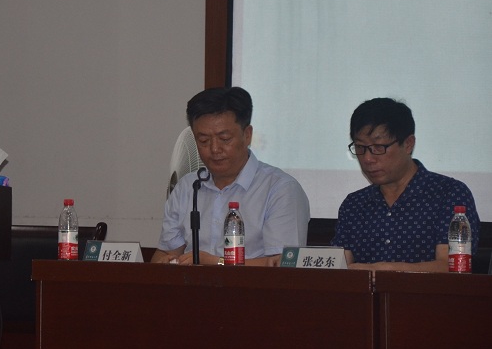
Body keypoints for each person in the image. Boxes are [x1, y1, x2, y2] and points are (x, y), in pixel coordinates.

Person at [152, 87, 310, 266]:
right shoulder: (187, 187)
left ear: (247, 135)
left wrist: (215, 263)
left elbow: (284, 265)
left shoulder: (281, 189)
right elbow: (165, 252)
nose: (214, 149)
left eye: (225, 139)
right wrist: (166, 262)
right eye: (203, 141)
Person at [332, 97, 481, 272]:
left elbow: (451, 267)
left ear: (408, 144)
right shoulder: (354, 204)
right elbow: (338, 270)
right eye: (360, 147)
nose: (368, 159)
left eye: (378, 147)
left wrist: (386, 270)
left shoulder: (449, 194)